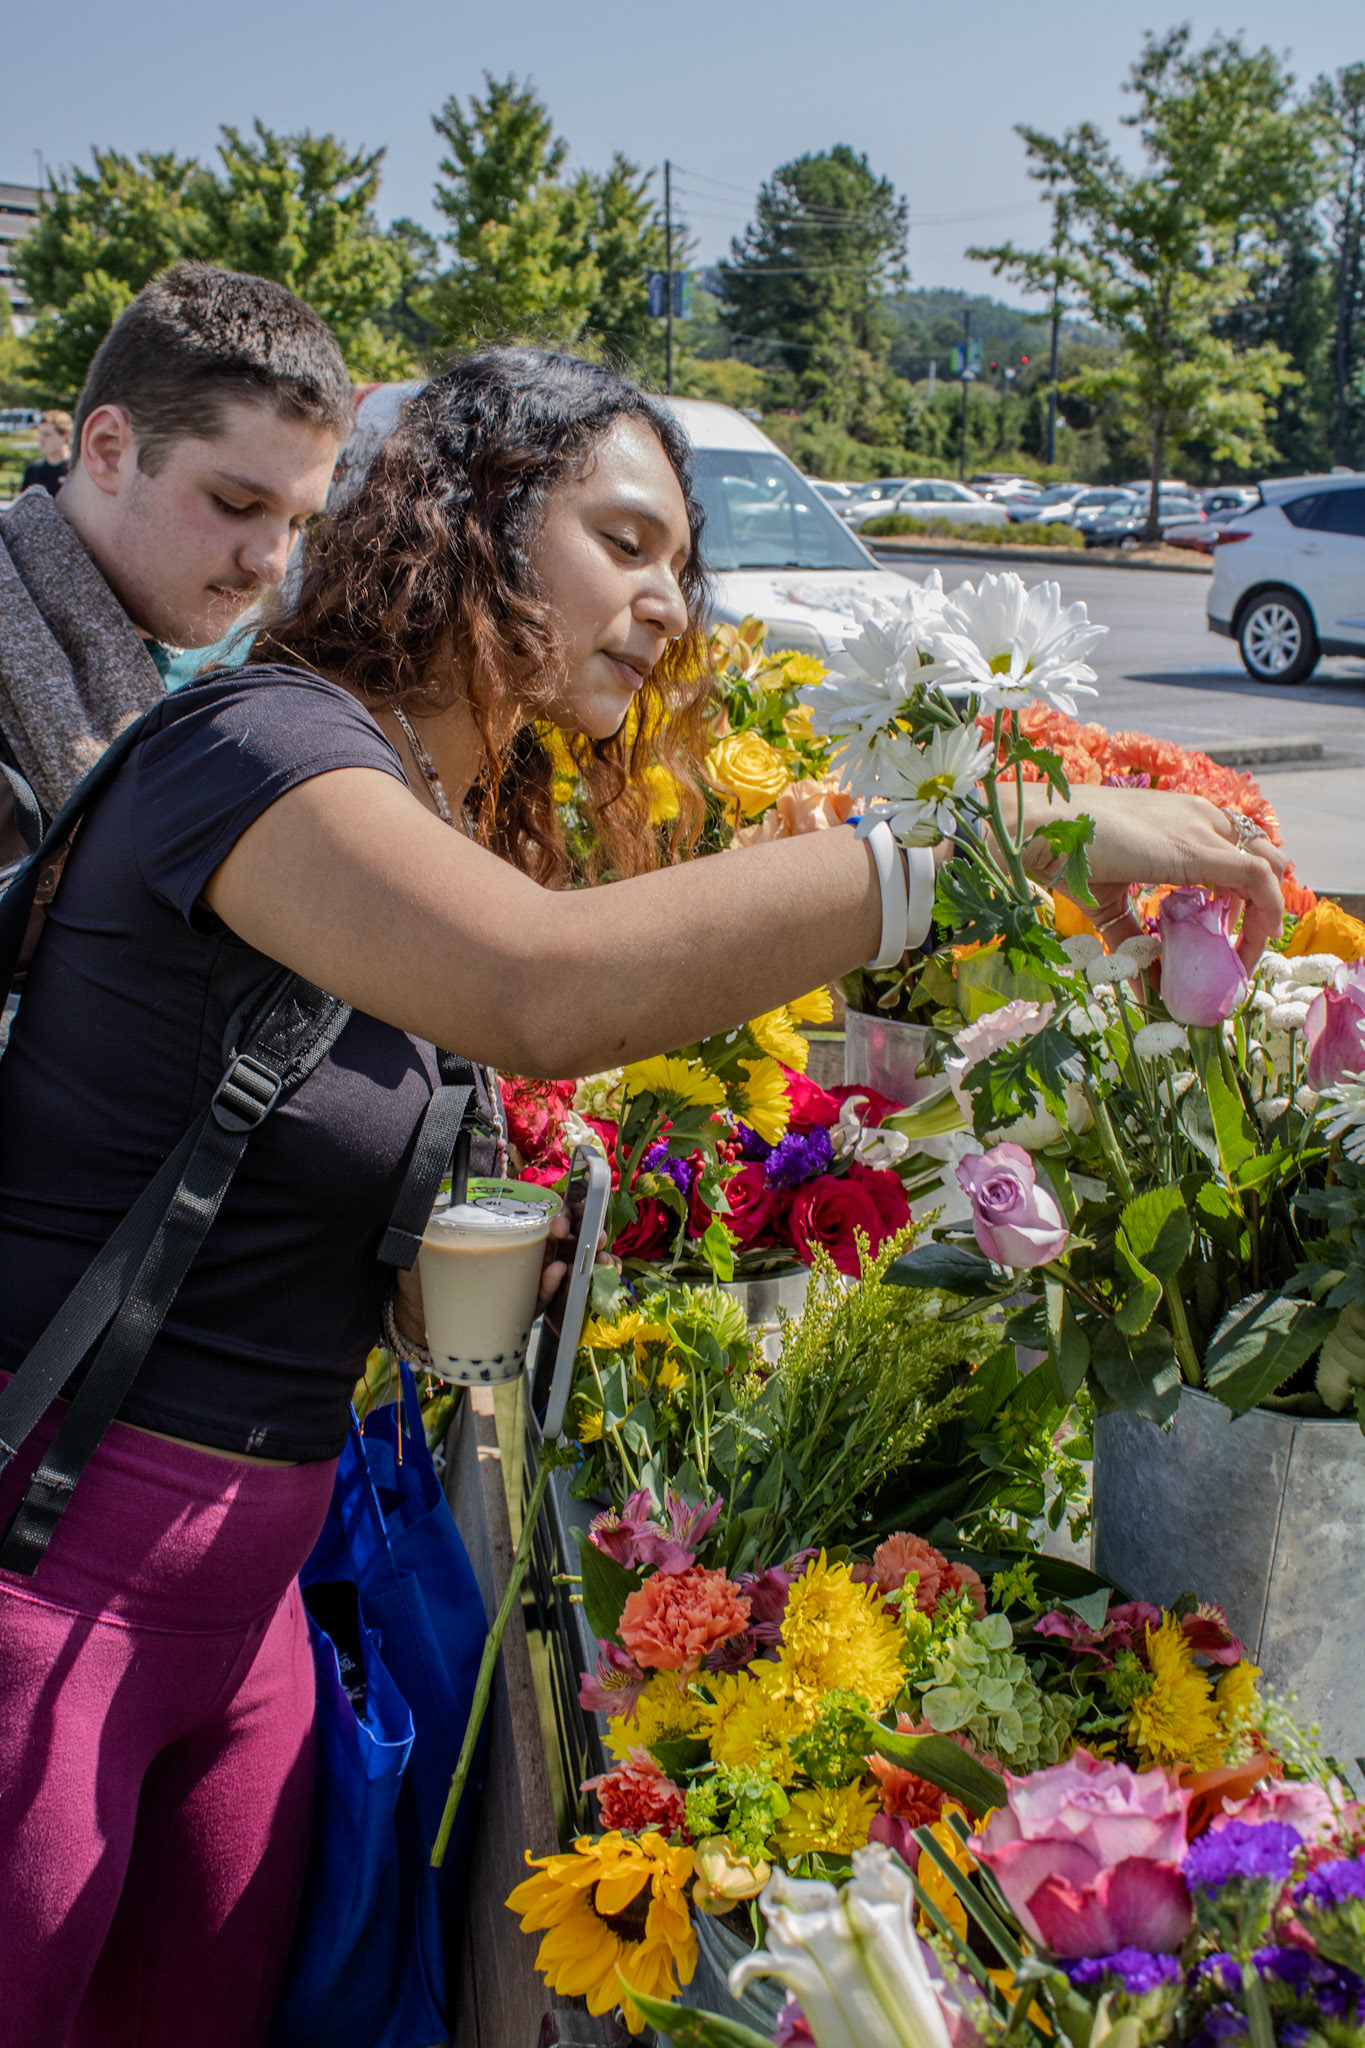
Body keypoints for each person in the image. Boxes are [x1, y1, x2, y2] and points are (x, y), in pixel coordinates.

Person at [0, 347, 1286, 2048]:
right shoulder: (258, 748)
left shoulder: (419, 801)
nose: (669, 605)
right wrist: (998, 839)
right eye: (625, 541)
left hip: (250, 1604)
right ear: (469, 522)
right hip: (54, 1554)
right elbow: (547, 988)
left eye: (684, 563)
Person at [0, 261, 351, 843]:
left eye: (297, 521)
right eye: (235, 503)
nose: (273, 563)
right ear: (110, 450)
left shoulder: (251, 666)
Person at [19, 409, 71, 497]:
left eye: (47, 434)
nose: (41, 439)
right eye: (40, 434)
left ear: (64, 437)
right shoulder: (33, 470)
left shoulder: (76, 471)